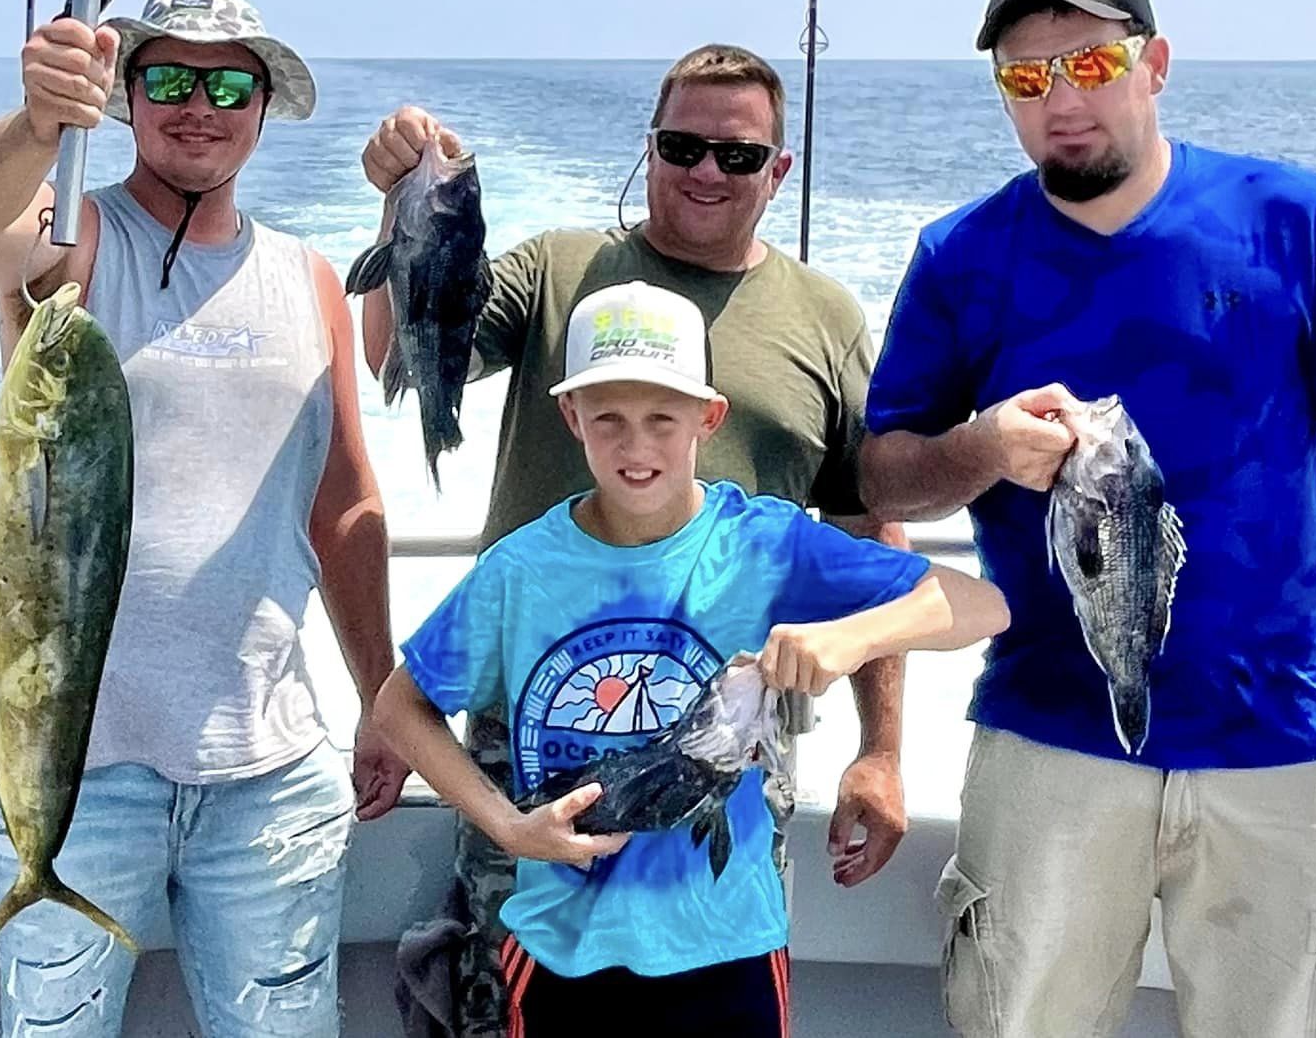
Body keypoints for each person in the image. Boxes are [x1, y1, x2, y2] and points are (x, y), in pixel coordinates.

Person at [860, 0, 1316, 1037]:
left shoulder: (1291, 219)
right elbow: (883, 471)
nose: (1061, 99)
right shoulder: (959, 257)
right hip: (1047, 739)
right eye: (1025, 77)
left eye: (1090, 63)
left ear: (1155, 65)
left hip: (1278, 742)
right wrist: (981, 449)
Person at [357, 44, 916, 1034]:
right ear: (647, 147)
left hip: (729, 733)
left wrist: (880, 748)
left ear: (778, 170)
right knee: (507, 996)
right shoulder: (559, 268)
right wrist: (401, 204)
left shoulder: (824, 315)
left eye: (738, 155)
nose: (706, 170)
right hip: (530, 727)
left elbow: (867, 527)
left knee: (712, 977)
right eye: (681, 145)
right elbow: (402, 350)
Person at [0, 0, 408, 1037]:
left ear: (263, 107)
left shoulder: (311, 278)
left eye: (229, 85)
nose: (198, 105)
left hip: (271, 764)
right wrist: (36, 123)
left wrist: (382, 693)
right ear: (127, 95)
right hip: (73, 773)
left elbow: (344, 505)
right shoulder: (75, 240)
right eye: (170, 79)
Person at [374, 281, 1009, 1035]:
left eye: (662, 420)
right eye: (608, 419)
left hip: (730, 948)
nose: (636, 446)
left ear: (709, 418)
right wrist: (508, 828)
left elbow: (983, 605)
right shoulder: (519, 571)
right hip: (557, 952)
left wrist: (852, 638)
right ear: (571, 417)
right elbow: (399, 706)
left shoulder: (763, 544)